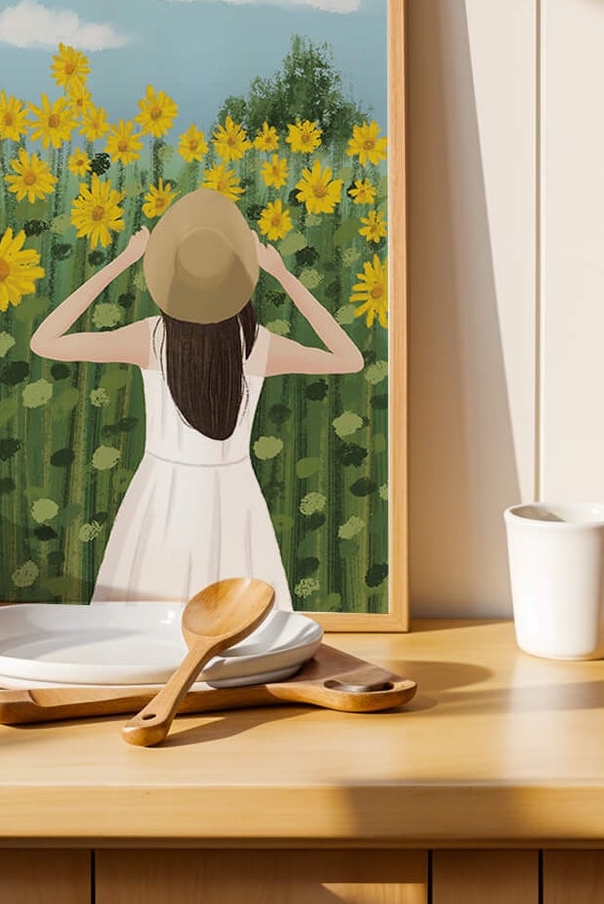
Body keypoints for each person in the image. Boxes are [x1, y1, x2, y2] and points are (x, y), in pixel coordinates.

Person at [29, 188, 363, 610]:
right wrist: (283, 274)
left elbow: (44, 341)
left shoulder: (151, 338)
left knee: (142, 616)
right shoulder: (256, 345)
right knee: (241, 619)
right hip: (234, 496)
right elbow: (349, 359)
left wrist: (121, 262)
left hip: (161, 493)